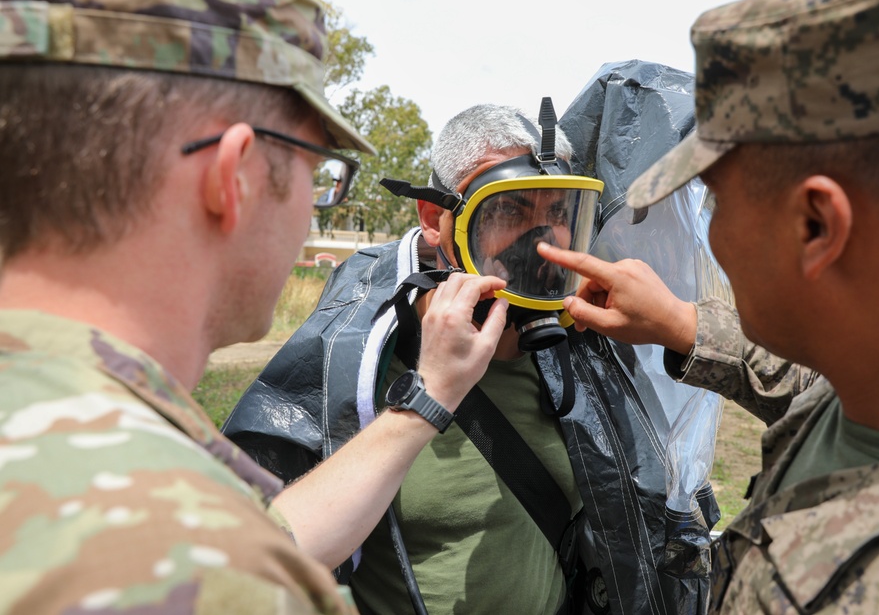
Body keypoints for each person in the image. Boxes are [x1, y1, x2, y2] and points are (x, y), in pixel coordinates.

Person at [0, 0, 507, 614]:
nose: (314, 203)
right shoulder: (215, 572)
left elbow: (275, 529)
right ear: (234, 175)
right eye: (317, 167)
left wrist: (426, 400)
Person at [538, 0, 879, 612]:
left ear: (816, 225)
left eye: (714, 202)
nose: (711, 237)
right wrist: (678, 321)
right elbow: (805, 391)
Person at [223, 102, 720, 614]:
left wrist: (682, 326)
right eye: (511, 210)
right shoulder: (357, 361)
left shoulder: (584, 350)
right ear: (435, 220)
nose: (544, 240)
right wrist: (428, 395)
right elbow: (253, 558)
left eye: (558, 212)